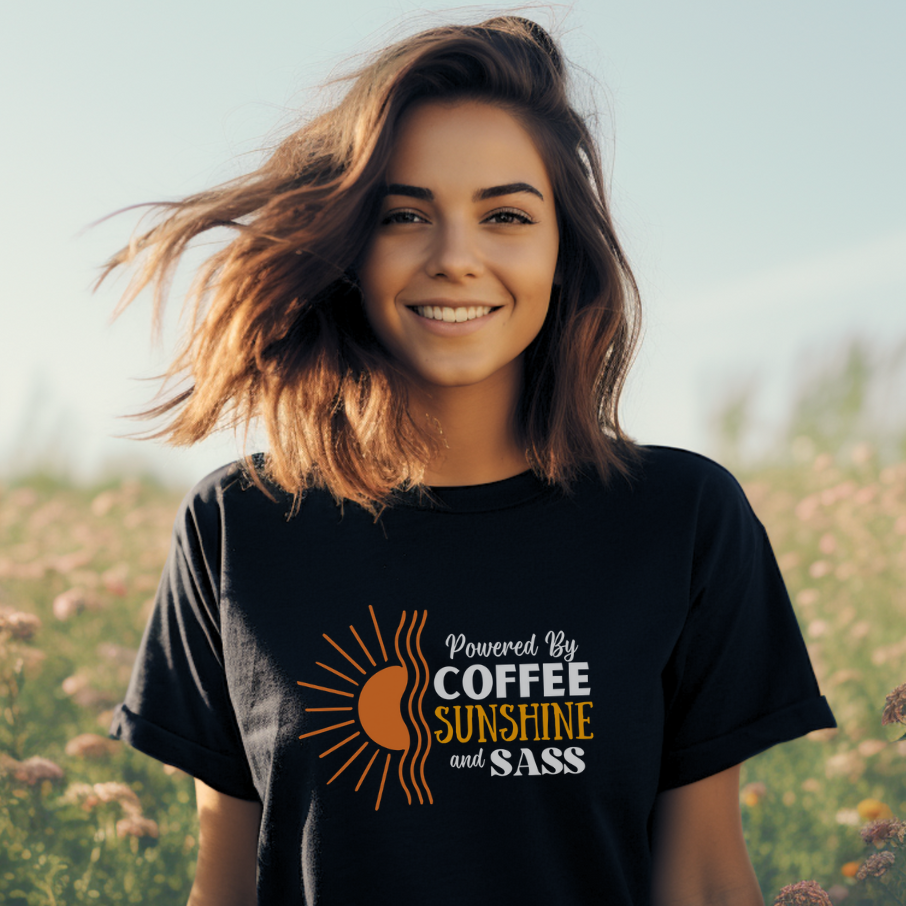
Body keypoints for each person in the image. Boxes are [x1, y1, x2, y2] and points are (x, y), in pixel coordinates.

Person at [103, 15, 836, 906]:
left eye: (506, 216)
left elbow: (709, 878)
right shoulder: (238, 527)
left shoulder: (681, 517)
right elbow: (224, 883)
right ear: (349, 248)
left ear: (562, 250)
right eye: (405, 215)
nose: (456, 258)